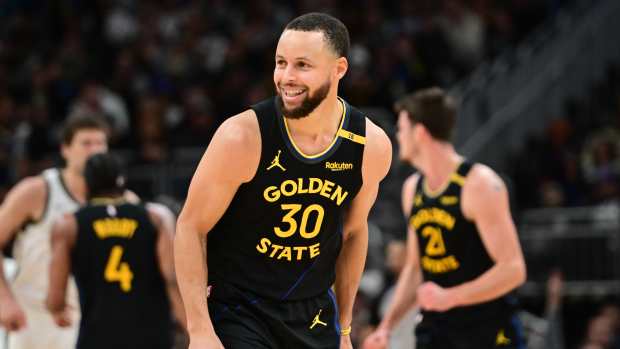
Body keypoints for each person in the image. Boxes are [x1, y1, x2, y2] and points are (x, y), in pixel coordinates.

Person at [174, 12, 392, 349]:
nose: (286, 77)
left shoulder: (370, 145)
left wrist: (346, 329)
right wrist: (199, 328)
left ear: (339, 70)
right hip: (239, 309)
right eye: (281, 63)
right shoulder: (242, 136)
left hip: (313, 313)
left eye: (302, 65)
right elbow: (191, 226)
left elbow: (353, 232)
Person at [363, 87, 527, 349]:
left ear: (420, 132)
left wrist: (450, 297)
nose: (398, 135)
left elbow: (514, 269)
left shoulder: (479, 184)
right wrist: (386, 327)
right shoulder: (412, 189)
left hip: (488, 327)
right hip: (440, 328)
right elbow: (416, 268)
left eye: (402, 128)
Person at [46, 153, 185, 349]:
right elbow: (171, 277)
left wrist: (57, 310)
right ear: (122, 181)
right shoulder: (156, 217)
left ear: (87, 183)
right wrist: (189, 326)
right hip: (151, 335)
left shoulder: (67, 225)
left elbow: (54, 298)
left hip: (98, 336)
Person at [0, 115, 109, 349]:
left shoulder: (118, 201)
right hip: (33, 317)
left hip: (90, 318)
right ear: (65, 149)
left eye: (100, 143)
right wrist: (4, 300)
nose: (95, 150)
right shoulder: (37, 191)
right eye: (86, 143)